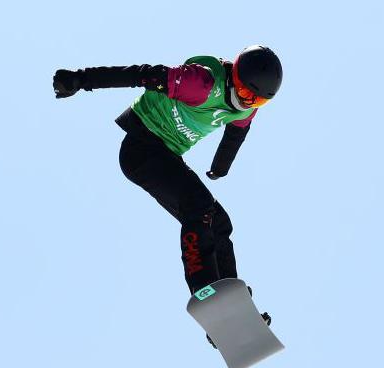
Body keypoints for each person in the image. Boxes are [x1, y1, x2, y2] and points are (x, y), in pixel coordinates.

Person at [53, 46, 282, 337]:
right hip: (141, 148)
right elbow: (139, 74)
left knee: (219, 221)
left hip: (166, 156)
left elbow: (237, 133)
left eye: (258, 101)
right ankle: (211, 302)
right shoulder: (200, 83)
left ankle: (235, 310)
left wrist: (220, 167)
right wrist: (79, 80)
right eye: (247, 94)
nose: (248, 102)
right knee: (198, 209)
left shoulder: (247, 108)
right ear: (234, 77)